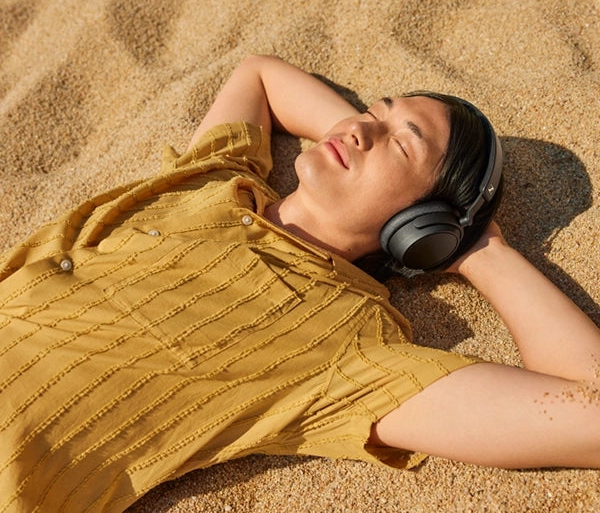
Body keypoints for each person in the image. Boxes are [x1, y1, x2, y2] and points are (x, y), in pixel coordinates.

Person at [0, 55, 598, 512]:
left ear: (423, 225)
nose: (359, 128)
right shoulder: (213, 179)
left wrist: (479, 250)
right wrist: (369, 129)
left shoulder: (343, 347)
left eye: (403, 142)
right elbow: (258, 74)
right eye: (374, 112)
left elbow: (591, 414)